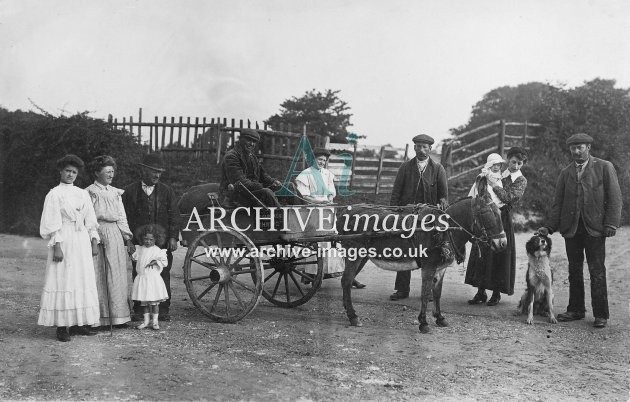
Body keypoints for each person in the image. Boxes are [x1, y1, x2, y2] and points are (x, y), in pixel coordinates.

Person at [539, 133, 622, 328]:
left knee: (597, 270)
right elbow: (557, 203)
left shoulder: (604, 167)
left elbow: (615, 197)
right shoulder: (565, 173)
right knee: (574, 269)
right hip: (572, 229)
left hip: (595, 229)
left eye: (580, 147)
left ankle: (601, 314)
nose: (576, 151)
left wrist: (611, 224)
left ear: (588, 148)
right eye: (573, 148)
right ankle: (575, 309)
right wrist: (549, 227)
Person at [38, 154, 101, 342]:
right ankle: (62, 326)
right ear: (61, 171)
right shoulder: (54, 194)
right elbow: (52, 223)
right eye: (67, 171)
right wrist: (57, 245)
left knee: (80, 280)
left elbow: (90, 220)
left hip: (81, 240)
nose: (70, 174)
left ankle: (79, 323)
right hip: (64, 239)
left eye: (74, 172)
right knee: (63, 280)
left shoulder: (82, 194)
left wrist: (94, 241)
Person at [389, 134, 448, 301]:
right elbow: (396, 193)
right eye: (418, 146)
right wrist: (395, 214)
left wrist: (443, 202)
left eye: (425, 147)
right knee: (404, 251)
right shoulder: (405, 168)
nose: (421, 150)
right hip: (407, 216)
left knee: (429, 253)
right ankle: (402, 289)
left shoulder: (438, 169)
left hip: (428, 219)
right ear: (414, 147)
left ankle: (428, 291)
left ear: (430, 149)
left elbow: (444, 195)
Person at [465, 148, 528, 305]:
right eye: (513, 162)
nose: (515, 166)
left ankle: (496, 293)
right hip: (486, 215)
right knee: (482, 251)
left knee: (498, 253)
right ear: (507, 160)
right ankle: (480, 291)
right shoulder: (498, 171)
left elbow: (509, 198)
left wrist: (494, 185)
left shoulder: (520, 180)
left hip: (502, 218)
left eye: (519, 163)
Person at [122, 153, 180, 321]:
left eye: (160, 172)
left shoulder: (167, 192)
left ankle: (163, 309)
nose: (157, 175)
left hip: (161, 243)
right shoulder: (130, 192)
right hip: (139, 243)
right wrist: (128, 240)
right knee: (139, 273)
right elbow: (123, 217)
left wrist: (173, 237)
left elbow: (174, 216)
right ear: (143, 170)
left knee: (163, 273)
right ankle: (140, 308)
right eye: (154, 171)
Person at [296, 148, 365, 288]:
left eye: (324, 160)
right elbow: (304, 196)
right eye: (319, 159)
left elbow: (331, 192)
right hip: (312, 210)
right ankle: (313, 274)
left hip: (327, 210)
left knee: (334, 243)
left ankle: (342, 274)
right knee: (318, 243)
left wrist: (329, 200)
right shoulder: (305, 174)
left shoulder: (327, 174)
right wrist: (320, 202)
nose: (321, 162)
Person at [86, 155, 133, 328]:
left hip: (114, 234)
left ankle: (118, 317)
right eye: (107, 171)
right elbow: (88, 217)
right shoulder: (90, 192)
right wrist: (95, 236)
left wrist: (127, 238)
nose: (111, 174)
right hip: (98, 234)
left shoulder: (115, 193)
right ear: (97, 172)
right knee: (100, 274)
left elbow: (121, 216)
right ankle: (100, 318)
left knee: (116, 273)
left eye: (112, 171)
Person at [219, 128, 283, 208]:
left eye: (254, 142)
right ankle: (282, 216)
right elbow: (241, 182)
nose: (252, 144)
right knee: (267, 192)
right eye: (249, 140)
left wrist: (273, 182)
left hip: (250, 191)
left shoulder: (252, 156)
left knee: (289, 187)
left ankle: (298, 213)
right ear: (241, 139)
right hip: (235, 194)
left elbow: (262, 175)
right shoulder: (231, 157)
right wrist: (262, 186)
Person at [131, 224, 169, 330]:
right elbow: (135, 258)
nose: (148, 241)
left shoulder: (157, 250)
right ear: (142, 238)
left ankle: (155, 322)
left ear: (156, 239)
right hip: (142, 279)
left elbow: (164, 262)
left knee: (154, 302)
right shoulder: (139, 249)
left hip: (152, 280)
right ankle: (146, 321)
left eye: (151, 239)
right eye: (146, 239)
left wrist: (155, 261)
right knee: (144, 302)